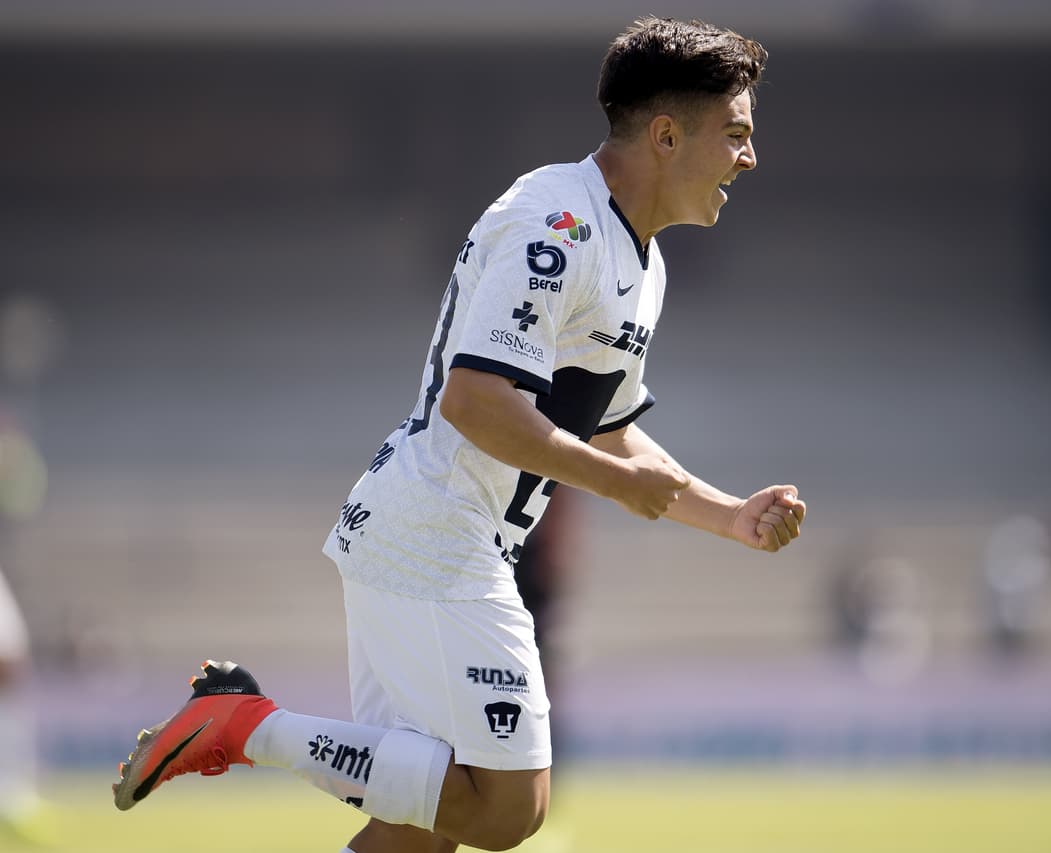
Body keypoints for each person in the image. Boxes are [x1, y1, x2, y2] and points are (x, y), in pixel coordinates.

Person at [112, 17, 805, 853]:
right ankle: (245, 724)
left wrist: (728, 513)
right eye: (736, 133)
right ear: (665, 134)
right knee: (508, 811)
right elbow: (475, 403)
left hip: (439, 536)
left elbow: (614, 433)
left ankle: (242, 720)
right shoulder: (555, 221)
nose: (749, 157)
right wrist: (611, 485)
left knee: (416, 833)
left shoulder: (643, 266)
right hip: (437, 536)